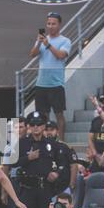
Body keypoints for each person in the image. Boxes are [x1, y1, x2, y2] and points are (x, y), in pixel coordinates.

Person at [13, 111, 65, 208]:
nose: (36, 128)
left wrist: (56, 173)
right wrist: (28, 158)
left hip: (44, 186)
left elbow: (62, 163)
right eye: (33, 125)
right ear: (29, 126)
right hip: (28, 185)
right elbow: (13, 162)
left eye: (39, 124)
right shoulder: (23, 143)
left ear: (43, 126)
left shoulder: (50, 143)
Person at [29, 12, 71, 141]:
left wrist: (47, 44)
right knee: (42, 116)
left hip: (56, 84)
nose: (51, 26)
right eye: (49, 23)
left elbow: (60, 55)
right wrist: (38, 42)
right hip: (41, 83)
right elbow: (32, 54)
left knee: (59, 114)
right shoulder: (42, 39)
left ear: (59, 25)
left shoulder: (65, 40)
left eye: (53, 23)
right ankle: (43, 140)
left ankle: (62, 141)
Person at [44, 120, 78, 196]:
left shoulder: (65, 147)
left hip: (63, 187)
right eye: (46, 130)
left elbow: (74, 166)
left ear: (57, 131)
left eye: (52, 130)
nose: (49, 132)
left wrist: (71, 185)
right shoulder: (40, 148)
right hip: (45, 187)